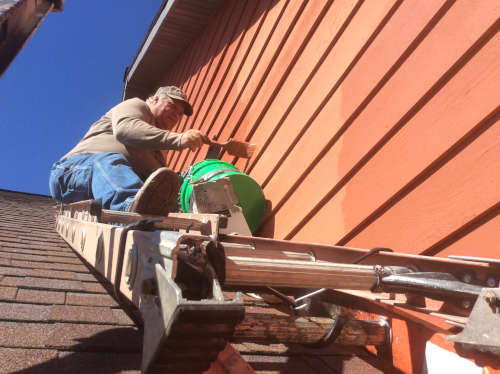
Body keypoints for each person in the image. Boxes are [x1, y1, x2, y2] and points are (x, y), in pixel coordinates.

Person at [49, 86, 209, 216]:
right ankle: (130, 212)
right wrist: (179, 139)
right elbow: (125, 130)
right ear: (155, 99)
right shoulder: (138, 107)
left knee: (165, 191)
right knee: (109, 160)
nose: (176, 114)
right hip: (71, 174)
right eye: (172, 106)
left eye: (180, 113)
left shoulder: (159, 149)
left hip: (105, 192)